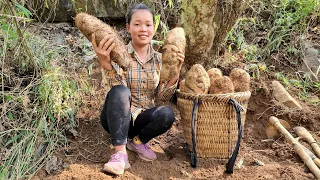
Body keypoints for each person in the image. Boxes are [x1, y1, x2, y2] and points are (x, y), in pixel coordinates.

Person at [91, 3, 185, 175]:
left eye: (148, 24)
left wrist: (175, 70)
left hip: (142, 121)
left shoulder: (160, 59)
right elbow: (113, 93)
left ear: (154, 28)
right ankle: (120, 155)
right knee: (120, 91)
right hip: (117, 119)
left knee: (167, 114)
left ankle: (138, 142)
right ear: (128, 27)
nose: (143, 29)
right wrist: (105, 63)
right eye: (137, 24)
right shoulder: (117, 54)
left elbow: (163, 98)